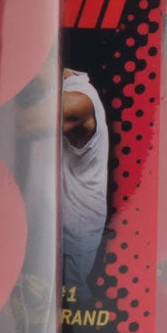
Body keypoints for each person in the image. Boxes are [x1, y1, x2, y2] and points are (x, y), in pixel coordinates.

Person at [60, 68, 109, 301]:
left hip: (78, 224)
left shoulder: (81, 99)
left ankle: (91, 325)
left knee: (74, 295)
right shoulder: (64, 88)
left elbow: (27, 121)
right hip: (62, 220)